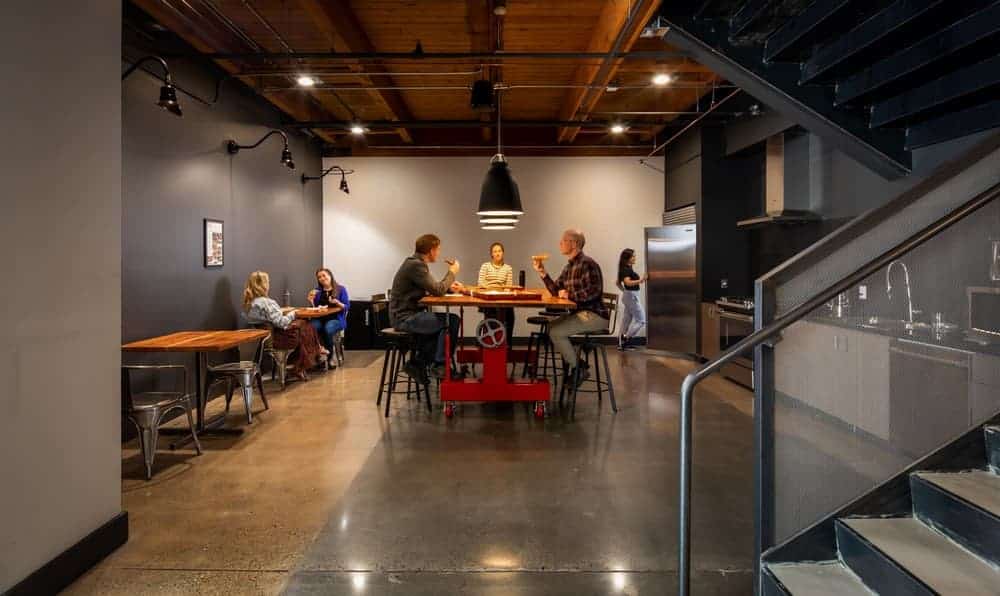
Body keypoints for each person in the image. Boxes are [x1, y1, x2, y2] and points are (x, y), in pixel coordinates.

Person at [532, 228, 609, 389]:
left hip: (594, 315)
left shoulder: (588, 264)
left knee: (556, 332)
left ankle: (577, 368)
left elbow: (594, 291)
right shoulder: (569, 267)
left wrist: (570, 295)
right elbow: (555, 290)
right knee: (552, 327)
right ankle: (576, 362)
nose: (560, 243)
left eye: (563, 240)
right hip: (581, 313)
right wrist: (543, 272)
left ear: (574, 243)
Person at [389, 233, 463, 383]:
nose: (439, 252)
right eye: (438, 249)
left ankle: (418, 363)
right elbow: (437, 290)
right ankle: (440, 366)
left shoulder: (416, 263)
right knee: (452, 321)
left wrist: (450, 289)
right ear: (431, 250)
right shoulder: (416, 265)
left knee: (443, 327)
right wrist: (452, 272)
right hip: (405, 318)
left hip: (407, 315)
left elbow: (435, 288)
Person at [243, 270, 327, 381]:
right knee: (306, 326)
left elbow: (269, 320)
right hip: (278, 340)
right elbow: (282, 323)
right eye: (268, 282)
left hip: (263, 341)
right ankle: (313, 355)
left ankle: (312, 355)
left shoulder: (249, 304)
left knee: (303, 328)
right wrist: (294, 313)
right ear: (263, 285)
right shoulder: (267, 303)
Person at [307, 268, 350, 367]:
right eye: (319, 277)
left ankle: (330, 358)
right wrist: (311, 301)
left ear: (330, 276)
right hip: (320, 318)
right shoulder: (317, 291)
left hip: (336, 319)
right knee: (312, 327)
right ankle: (319, 354)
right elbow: (315, 308)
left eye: (324, 275)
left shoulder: (340, 289)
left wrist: (338, 303)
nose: (322, 278)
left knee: (328, 328)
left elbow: (347, 306)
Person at [478, 241, 516, 340]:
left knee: (510, 314)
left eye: (499, 251)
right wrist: (495, 289)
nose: (497, 253)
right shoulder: (485, 266)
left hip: (503, 297)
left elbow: (508, 286)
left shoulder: (508, 268)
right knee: (491, 314)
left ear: (503, 253)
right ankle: (487, 340)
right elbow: (481, 283)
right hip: (488, 298)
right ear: (491, 254)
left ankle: (507, 343)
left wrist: (500, 290)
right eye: (495, 251)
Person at [616, 248, 647, 351]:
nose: (635, 258)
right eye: (633, 256)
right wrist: (641, 280)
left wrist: (625, 292)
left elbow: (617, 283)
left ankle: (621, 344)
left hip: (629, 296)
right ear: (627, 258)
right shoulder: (626, 269)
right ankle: (625, 339)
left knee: (626, 320)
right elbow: (628, 282)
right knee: (641, 320)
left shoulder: (626, 268)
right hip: (631, 296)